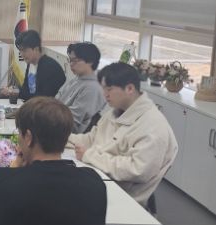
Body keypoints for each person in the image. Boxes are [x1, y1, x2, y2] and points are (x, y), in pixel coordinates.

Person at [70, 62, 178, 205]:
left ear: (130, 89)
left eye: (109, 89)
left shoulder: (153, 126)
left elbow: (137, 170)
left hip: (120, 195)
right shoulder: (116, 111)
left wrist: (90, 156)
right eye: (103, 88)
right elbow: (91, 139)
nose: (105, 94)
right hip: (97, 178)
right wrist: (59, 138)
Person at [55, 42, 106, 133]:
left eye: (75, 60)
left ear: (90, 61)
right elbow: (57, 99)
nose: (71, 64)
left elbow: (72, 121)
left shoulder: (92, 88)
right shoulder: (77, 79)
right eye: (70, 60)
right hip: (56, 122)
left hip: (69, 133)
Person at [4, 30, 65, 101]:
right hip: (35, 105)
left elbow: (43, 98)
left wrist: (18, 94)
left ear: (36, 49)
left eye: (24, 50)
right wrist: (13, 91)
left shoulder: (50, 67)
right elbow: (26, 91)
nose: (22, 54)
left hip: (49, 106)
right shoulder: (31, 65)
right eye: (20, 51)